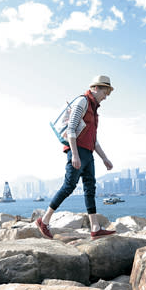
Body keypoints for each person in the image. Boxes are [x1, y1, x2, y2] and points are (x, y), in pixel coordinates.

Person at [36, 75, 117, 240]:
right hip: (77, 151)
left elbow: (94, 140)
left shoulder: (95, 110)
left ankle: (95, 227)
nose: (106, 96)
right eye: (105, 91)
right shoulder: (82, 102)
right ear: (95, 88)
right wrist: (74, 155)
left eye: (108, 92)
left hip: (88, 153)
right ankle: (44, 220)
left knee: (90, 188)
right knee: (69, 186)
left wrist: (104, 158)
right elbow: (71, 128)